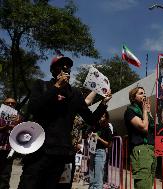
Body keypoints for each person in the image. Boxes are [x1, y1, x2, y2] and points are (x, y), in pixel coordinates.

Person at [18, 54, 112, 189]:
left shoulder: (75, 94)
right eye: (61, 66)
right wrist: (56, 87)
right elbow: (34, 108)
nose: (65, 68)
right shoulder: (41, 85)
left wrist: (103, 103)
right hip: (39, 152)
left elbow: (91, 120)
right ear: (52, 70)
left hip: (62, 154)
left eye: (68, 66)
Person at [124, 86, 156, 189]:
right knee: (143, 185)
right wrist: (145, 111)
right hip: (140, 150)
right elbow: (144, 127)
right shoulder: (130, 111)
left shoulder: (144, 111)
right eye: (141, 93)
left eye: (144, 93)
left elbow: (153, 127)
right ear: (133, 97)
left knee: (149, 183)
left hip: (150, 149)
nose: (144, 95)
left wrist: (148, 111)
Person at [88, 110, 113, 189]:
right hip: (92, 151)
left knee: (98, 177)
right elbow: (88, 134)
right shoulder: (95, 127)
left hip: (100, 152)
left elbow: (109, 144)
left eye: (103, 116)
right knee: (91, 175)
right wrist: (90, 135)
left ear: (106, 118)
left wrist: (99, 138)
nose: (101, 118)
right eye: (100, 116)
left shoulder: (107, 129)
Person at [0, 98, 21, 189]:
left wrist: (15, 126)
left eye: (12, 103)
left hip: (9, 148)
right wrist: (4, 127)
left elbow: (21, 130)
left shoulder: (18, 117)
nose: (10, 104)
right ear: (4, 104)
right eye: (8, 103)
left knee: (6, 172)